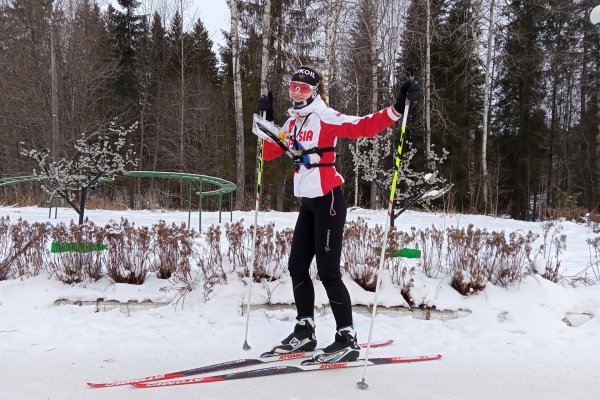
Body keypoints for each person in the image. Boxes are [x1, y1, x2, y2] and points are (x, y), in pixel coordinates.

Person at [256, 66, 422, 363]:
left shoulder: (324, 116)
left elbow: (363, 126)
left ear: (315, 92)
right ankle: (305, 330)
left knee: (328, 270)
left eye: (303, 89)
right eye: (293, 87)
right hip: (308, 202)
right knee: (296, 266)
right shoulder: (292, 122)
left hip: (329, 199)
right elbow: (269, 154)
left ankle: (347, 336)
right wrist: (265, 121)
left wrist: (398, 108)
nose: (297, 93)